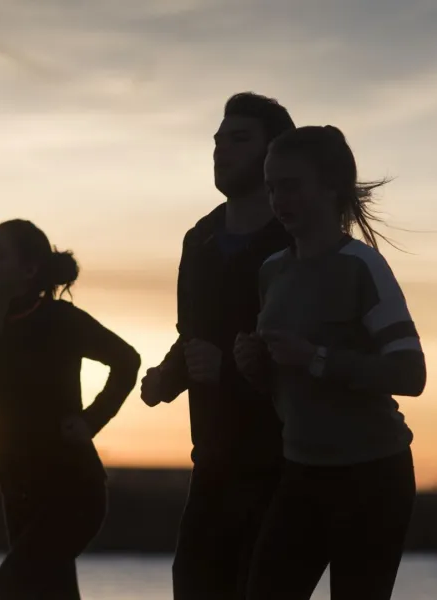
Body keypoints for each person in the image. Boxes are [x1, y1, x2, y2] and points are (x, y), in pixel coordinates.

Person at [236, 125, 426, 600]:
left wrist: (316, 358)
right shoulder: (272, 271)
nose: (280, 199)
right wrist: (255, 364)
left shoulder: (363, 266)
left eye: (292, 185)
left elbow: (411, 373)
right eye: (272, 186)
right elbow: (285, 386)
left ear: (332, 187)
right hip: (301, 473)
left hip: (374, 477)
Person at [140, 92, 295, 599]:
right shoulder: (199, 238)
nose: (221, 150)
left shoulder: (296, 239)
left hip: (285, 465)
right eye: (217, 141)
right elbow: (194, 336)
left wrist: (228, 367)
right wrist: (168, 376)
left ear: (275, 153)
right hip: (210, 460)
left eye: (239, 139)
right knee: (191, 585)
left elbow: (315, 346)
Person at [0, 219, 141, 599]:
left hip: (75, 493)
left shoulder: (60, 320)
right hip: (17, 496)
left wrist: (91, 421)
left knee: (5, 594)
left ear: (30, 270)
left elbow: (126, 360)